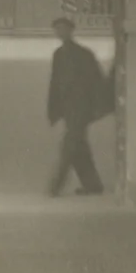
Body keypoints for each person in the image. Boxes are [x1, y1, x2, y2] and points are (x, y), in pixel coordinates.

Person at [46, 17, 107, 197]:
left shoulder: (84, 54)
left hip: (82, 107)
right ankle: (93, 185)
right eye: (57, 29)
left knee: (70, 143)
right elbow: (55, 82)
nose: (60, 32)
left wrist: (97, 106)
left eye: (63, 28)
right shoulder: (58, 54)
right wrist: (54, 108)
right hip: (68, 107)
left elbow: (96, 80)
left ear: (71, 30)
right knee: (79, 146)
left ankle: (55, 185)